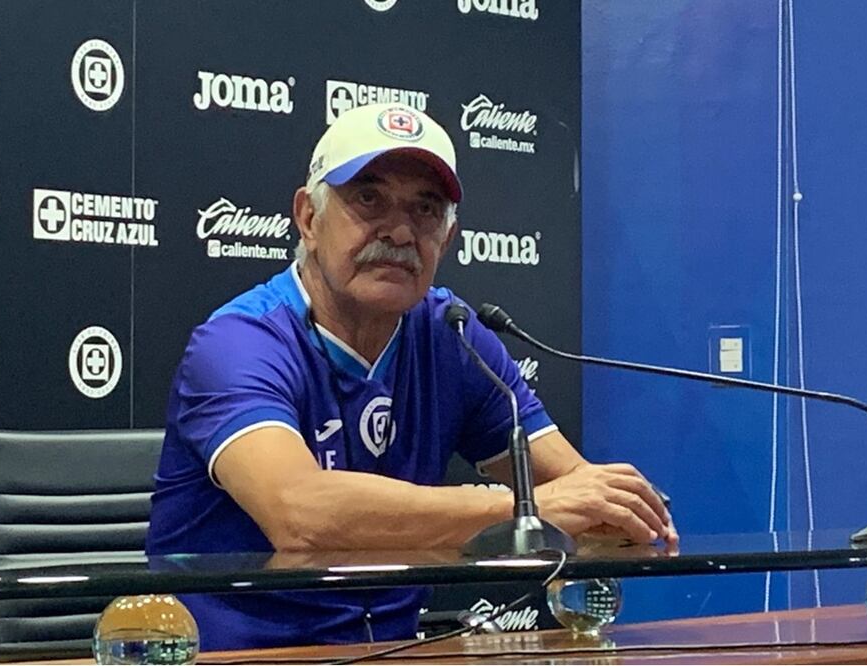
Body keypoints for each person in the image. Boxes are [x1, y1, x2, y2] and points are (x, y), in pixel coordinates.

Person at [146, 102, 676, 650]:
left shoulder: (453, 337)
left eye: (425, 210)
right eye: (368, 199)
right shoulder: (240, 341)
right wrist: (527, 512)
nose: (399, 231)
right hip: (243, 656)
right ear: (308, 217)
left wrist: (613, 511)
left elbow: (585, 500)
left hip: (398, 653)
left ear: (446, 240)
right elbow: (299, 513)